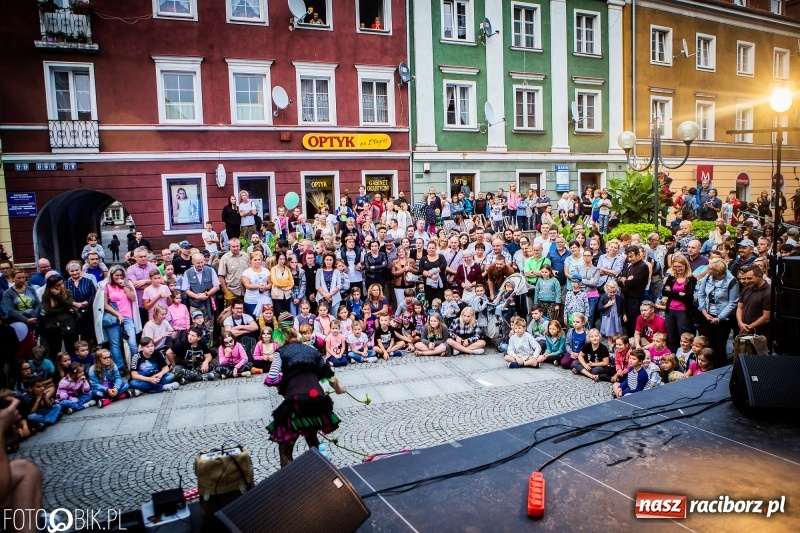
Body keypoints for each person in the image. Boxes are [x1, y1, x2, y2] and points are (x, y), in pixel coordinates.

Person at [266, 326, 344, 467]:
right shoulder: (312, 350)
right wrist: (339, 390)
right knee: (312, 437)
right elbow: (332, 379)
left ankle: (289, 481)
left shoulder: (280, 352)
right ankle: (322, 473)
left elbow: (272, 377)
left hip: (296, 400)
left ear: (281, 340)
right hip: (317, 401)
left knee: (285, 448)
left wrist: (282, 387)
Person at [93, 265, 140, 373]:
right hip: (113, 317)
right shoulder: (106, 286)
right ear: (112, 275)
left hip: (127, 317)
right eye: (116, 275)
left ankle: (135, 364)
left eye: (121, 275)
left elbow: (132, 298)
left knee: (132, 342)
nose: (119, 277)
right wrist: (118, 314)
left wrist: (124, 285)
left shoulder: (128, 284)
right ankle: (120, 367)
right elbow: (104, 304)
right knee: (115, 344)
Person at [697, 259, 739, 368]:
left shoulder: (731, 281)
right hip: (707, 315)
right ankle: (706, 367)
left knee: (719, 345)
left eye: (710, 268)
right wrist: (704, 313)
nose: (707, 269)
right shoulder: (707, 277)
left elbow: (732, 302)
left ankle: (719, 367)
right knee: (707, 344)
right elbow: (701, 294)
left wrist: (720, 318)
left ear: (717, 271)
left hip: (723, 317)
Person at [660, 253, 696, 353]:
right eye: (675, 267)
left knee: (683, 336)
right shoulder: (671, 278)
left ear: (685, 266)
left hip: (683, 311)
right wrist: (679, 293)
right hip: (670, 310)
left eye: (680, 266)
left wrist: (671, 293)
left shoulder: (691, 279)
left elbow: (688, 297)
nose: (677, 269)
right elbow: (664, 292)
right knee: (671, 336)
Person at [181, 253, 221, 343]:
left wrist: (206, 295)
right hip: (195, 304)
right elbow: (186, 289)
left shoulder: (210, 270)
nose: (200, 265)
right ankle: (196, 344)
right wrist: (196, 296)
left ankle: (208, 345)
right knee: (196, 325)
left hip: (208, 304)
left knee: (209, 326)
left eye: (202, 262)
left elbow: (217, 286)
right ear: (193, 262)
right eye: (198, 263)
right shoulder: (187, 273)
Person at [39, 274, 78, 355]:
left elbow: (69, 305)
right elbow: (48, 311)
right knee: (55, 350)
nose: (61, 286)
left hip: (68, 323)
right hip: (53, 325)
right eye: (58, 285)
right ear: (51, 286)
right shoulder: (46, 296)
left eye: (62, 283)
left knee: (71, 349)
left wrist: (58, 296)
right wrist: (66, 309)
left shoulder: (68, 292)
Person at [619, 245, 649, 338]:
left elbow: (631, 283)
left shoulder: (642, 266)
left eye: (631, 256)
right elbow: (620, 280)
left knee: (633, 322)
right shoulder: (629, 265)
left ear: (638, 254)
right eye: (628, 256)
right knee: (626, 321)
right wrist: (626, 279)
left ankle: (635, 342)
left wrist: (626, 280)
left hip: (634, 299)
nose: (629, 259)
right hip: (625, 298)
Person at [65, 260, 97, 345]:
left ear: (81, 270)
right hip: (72, 313)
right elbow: (64, 298)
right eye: (72, 271)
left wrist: (83, 304)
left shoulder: (88, 281)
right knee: (73, 336)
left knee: (87, 336)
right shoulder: (66, 284)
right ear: (68, 272)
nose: (75, 272)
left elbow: (93, 296)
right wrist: (74, 304)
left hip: (87, 312)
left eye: (77, 270)